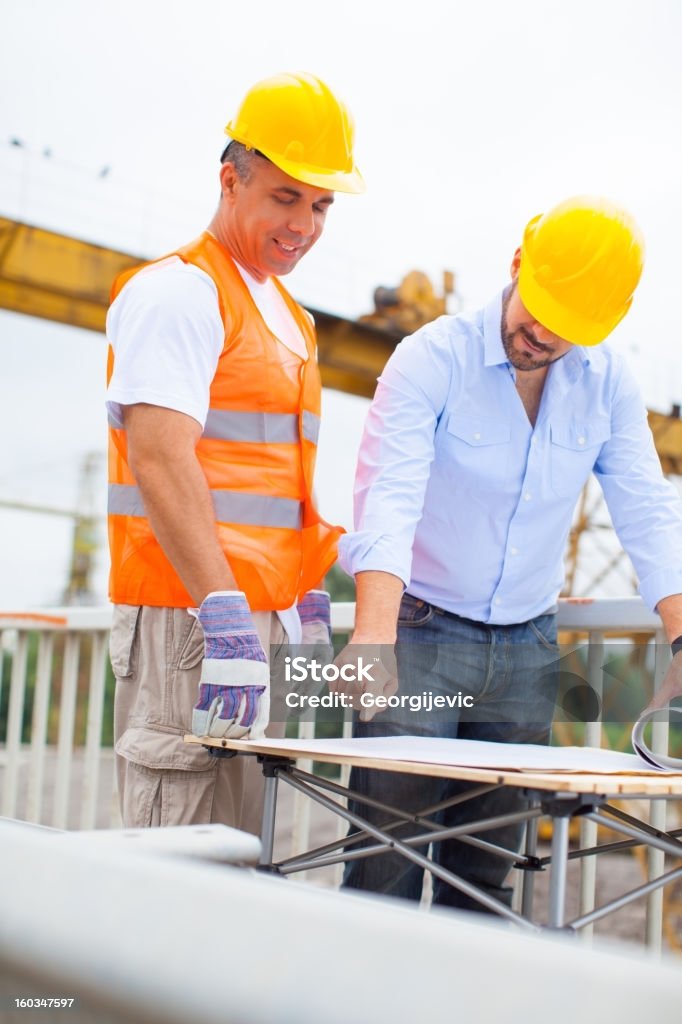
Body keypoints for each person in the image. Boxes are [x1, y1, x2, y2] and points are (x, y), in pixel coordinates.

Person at [334, 195, 682, 913]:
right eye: (540, 308)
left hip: (528, 651)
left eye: (570, 326)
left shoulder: (608, 382)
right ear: (518, 263)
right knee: (383, 864)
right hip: (417, 636)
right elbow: (388, 499)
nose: (545, 334)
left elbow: (648, 510)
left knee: (488, 878)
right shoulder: (431, 358)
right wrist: (371, 636)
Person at [106, 72, 364, 831]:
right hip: (193, 614)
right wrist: (223, 612)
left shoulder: (291, 316)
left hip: (261, 622)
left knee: (241, 855)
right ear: (231, 179)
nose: (305, 225)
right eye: (286, 197)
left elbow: (275, 475)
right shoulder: (179, 292)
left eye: (321, 205)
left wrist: (304, 592)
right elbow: (158, 457)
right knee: (179, 857)